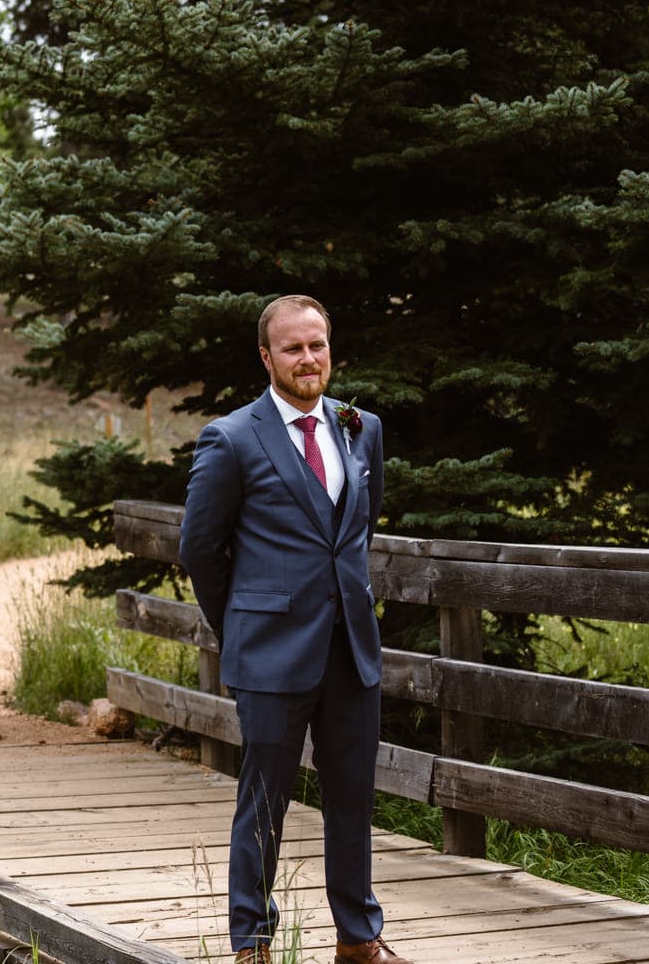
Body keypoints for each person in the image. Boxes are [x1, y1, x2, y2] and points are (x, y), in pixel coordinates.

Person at [178, 295, 408, 964]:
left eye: (317, 345)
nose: (308, 359)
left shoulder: (361, 427)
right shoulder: (233, 437)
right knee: (263, 802)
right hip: (271, 652)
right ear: (266, 356)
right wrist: (243, 626)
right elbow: (199, 549)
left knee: (352, 800)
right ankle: (252, 942)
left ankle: (358, 938)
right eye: (293, 348)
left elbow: (357, 530)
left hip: (351, 650)